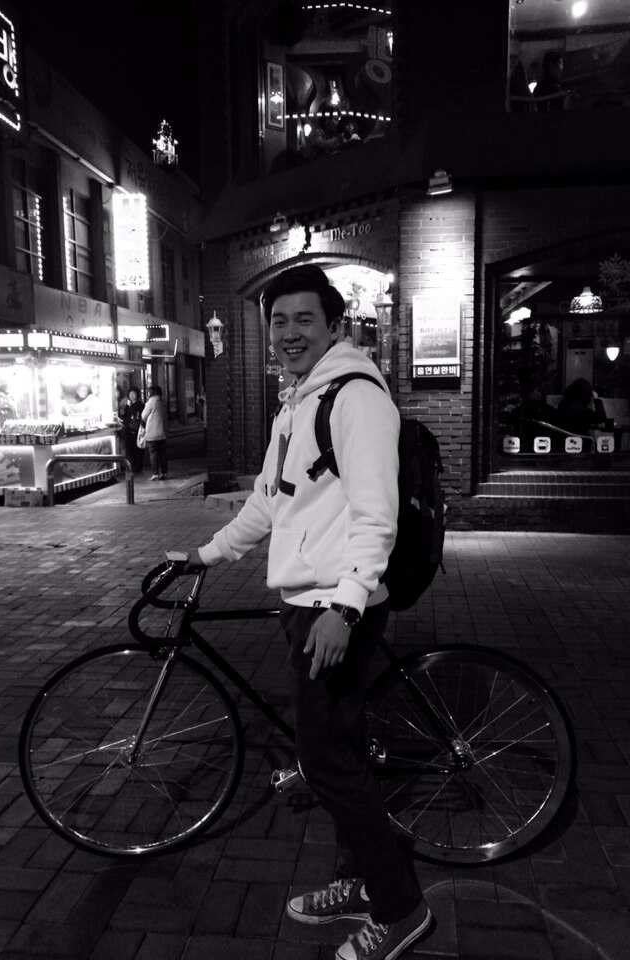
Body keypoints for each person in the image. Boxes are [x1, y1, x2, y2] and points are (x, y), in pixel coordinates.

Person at [173, 265, 432, 960]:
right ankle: (362, 881)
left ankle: (401, 908)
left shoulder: (356, 398)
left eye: (303, 319)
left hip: (334, 606)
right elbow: (269, 502)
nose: (289, 333)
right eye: (279, 321)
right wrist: (206, 554)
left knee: (325, 762)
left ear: (334, 325)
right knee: (337, 753)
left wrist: (345, 607)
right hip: (306, 601)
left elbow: (376, 516)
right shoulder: (297, 402)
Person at [141, 385, 167, 480]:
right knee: (163, 454)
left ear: (152, 393)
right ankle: (164, 473)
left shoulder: (151, 402)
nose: (147, 394)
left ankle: (155, 473)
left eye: (148, 392)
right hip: (162, 432)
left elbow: (143, 415)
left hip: (153, 432)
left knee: (153, 453)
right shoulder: (162, 402)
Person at [121, 388, 145, 473]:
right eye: (130, 394)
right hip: (129, 431)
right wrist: (127, 406)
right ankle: (133, 466)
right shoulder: (129, 405)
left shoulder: (140, 405)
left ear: (137, 394)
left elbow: (139, 417)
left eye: (133, 394)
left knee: (137, 450)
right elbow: (125, 416)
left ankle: (137, 467)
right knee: (131, 450)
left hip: (136, 431)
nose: (131, 396)